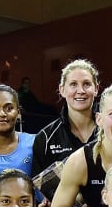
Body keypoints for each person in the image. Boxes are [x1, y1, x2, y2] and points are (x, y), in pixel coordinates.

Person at [31, 59, 101, 194]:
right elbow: (41, 192)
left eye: (87, 84)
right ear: (62, 90)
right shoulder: (45, 139)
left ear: (96, 89)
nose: (80, 91)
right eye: (73, 84)